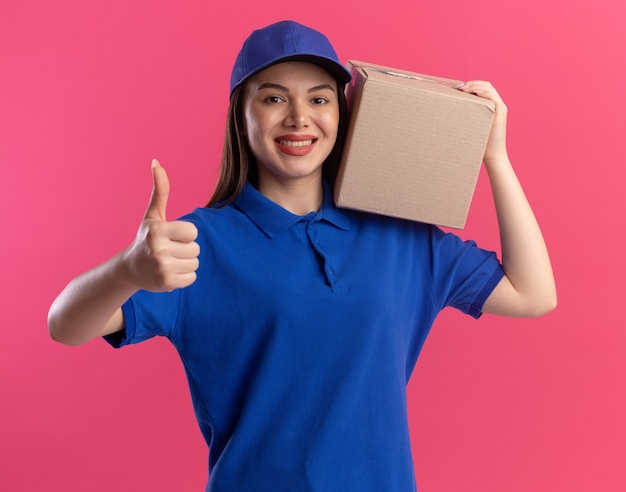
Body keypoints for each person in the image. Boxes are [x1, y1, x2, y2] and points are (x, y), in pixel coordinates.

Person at [48, 20, 556, 492]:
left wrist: (494, 157)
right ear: (240, 115)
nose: (299, 118)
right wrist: (127, 269)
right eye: (273, 98)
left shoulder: (400, 235)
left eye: (320, 99)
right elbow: (64, 324)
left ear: (343, 112)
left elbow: (533, 294)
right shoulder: (196, 244)